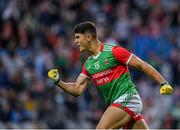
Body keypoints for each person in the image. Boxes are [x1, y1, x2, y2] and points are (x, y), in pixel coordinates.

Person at [47, 21, 173, 129]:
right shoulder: (88, 65)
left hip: (128, 98)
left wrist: (163, 82)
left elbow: (142, 65)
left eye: (78, 37)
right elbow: (77, 89)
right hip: (119, 106)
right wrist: (58, 81)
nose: (75, 41)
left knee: (102, 128)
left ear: (88, 37)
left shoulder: (113, 51)